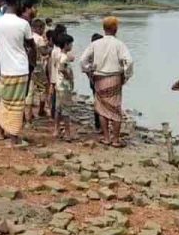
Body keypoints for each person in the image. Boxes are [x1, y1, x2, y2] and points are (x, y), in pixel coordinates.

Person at [80, 16, 133, 148]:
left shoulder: (95, 44)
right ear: (116, 29)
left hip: (99, 78)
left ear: (104, 29)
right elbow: (129, 61)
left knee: (102, 109)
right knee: (115, 108)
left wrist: (89, 71)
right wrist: (126, 76)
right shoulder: (119, 44)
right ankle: (115, 139)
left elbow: (82, 60)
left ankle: (106, 138)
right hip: (114, 77)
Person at [0, 0, 36, 145]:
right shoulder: (23, 24)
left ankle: (0, 131)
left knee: (5, 101)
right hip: (19, 68)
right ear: (18, 3)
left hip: (5, 68)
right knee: (17, 104)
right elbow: (31, 46)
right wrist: (33, 64)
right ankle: (14, 137)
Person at [25, 19, 49, 124]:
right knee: (43, 88)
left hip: (28, 66)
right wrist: (52, 47)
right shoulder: (39, 38)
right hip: (38, 66)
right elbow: (44, 52)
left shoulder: (28, 37)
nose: (43, 30)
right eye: (42, 28)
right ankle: (41, 110)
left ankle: (28, 114)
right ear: (38, 28)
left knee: (29, 90)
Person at [54, 33, 75, 140]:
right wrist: (69, 77)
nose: (72, 46)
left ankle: (56, 130)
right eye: (71, 44)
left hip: (59, 85)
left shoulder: (59, 55)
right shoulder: (64, 57)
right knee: (66, 110)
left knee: (58, 109)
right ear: (66, 45)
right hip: (64, 86)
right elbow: (61, 69)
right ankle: (67, 133)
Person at [49, 25, 67, 118]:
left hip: (56, 76)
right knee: (58, 99)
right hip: (58, 77)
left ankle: (55, 115)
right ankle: (56, 116)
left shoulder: (55, 49)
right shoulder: (58, 51)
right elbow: (56, 66)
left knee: (56, 98)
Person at [87, 33, 103, 132]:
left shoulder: (89, 53)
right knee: (101, 102)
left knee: (97, 101)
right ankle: (100, 124)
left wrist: (89, 76)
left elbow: (84, 66)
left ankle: (98, 124)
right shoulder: (98, 54)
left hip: (93, 80)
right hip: (99, 80)